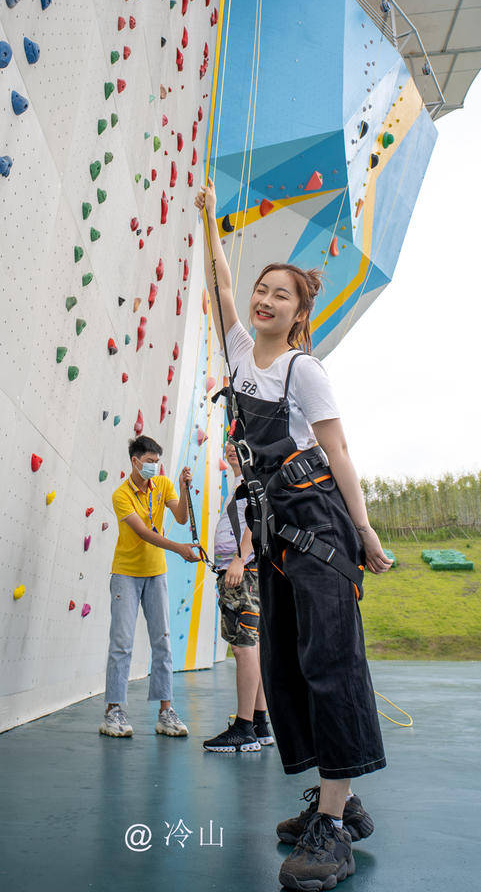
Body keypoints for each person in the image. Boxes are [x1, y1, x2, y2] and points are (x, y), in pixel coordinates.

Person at [195, 177, 393, 892]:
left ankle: (334, 826)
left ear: (301, 311)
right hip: (273, 530)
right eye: (261, 290)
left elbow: (338, 454)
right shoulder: (243, 356)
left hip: (319, 528)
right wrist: (209, 220)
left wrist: (364, 532)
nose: (263, 299)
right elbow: (218, 284)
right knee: (285, 669)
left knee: (330, 664)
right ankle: (339, 796)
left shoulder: (305, 372)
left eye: (281, 294)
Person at [99, 434, 201, 740]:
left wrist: (182, 489)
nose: (154, 467)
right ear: (135, 461)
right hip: (126, 574)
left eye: (157, 462)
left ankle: (165, 713)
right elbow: (144, 533)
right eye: (149, 462)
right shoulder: (121, 495)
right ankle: (113, 712)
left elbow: (182, 517)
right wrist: (179, 549)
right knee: (122, 643)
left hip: (156, 574)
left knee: (163, 642)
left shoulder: (164, 485)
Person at [203, 440, 274, 754]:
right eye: (229, 444)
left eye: (239, 445)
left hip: (242, 572)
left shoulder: (250, 481)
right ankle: (259, 722)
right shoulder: (239, 483)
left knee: (243, 648)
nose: (232, 449)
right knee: (252, 646)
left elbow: (256, 521)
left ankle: (243, 728)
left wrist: (238, 560)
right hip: (239, 570)